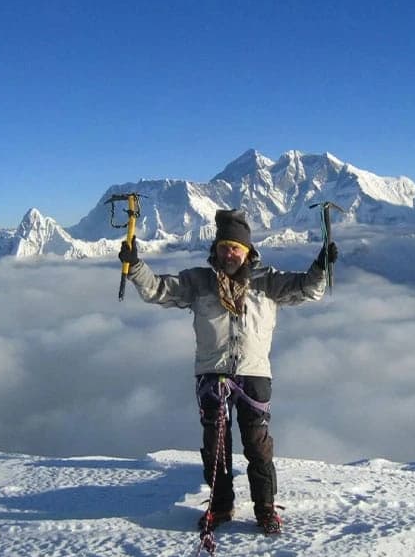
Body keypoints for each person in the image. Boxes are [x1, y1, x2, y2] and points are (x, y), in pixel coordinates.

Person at [119, 208, 337, 534]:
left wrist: (321, 266)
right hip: (213, 373)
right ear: (215, 249)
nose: (229, 252)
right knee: (216, 446)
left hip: (254, 373)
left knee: (257, 444)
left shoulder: (268, 282)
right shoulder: (199, 281)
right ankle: (221, 506)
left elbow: (308, 289)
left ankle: (265, 509)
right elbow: (159, 290)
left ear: (248, 251)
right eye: (223, 246)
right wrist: (135, 266)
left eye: (235, 247)